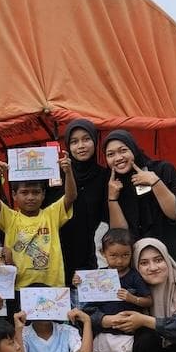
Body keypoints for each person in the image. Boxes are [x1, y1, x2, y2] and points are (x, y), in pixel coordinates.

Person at [102, 130, 176, 284]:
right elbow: (121, 234)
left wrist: (155, 182)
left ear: (133, 149)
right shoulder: (111, 185)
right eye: (110, 154)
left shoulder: (162, 169)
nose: (118, 158)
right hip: (142, 268)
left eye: (123, 150)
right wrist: (112, 198)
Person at [77, 228, 150, 352]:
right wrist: (79, 283)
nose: (119, 261)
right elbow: (88, 303)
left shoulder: (134, 277)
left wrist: (131, 298)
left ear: (131, 254)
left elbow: (147, 300)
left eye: (125, 255)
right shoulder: (99, 275)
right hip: (104, 332)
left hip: (125, 334)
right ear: (103, 253)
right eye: (114, 256)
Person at [0, 149, 75, 288]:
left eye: (36, 192)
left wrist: (68, 172)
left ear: (43, 194)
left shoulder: (51, 215)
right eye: (24, 192)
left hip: (51, 285)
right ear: (14, 195)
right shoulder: (10, 218)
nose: (30, 197)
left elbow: (70, 197)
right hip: (17, 286)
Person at [56, 119, 110, 282]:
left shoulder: (105, 176)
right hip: (62, 250)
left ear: (95, 141)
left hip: (95, 252)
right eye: (74, 141)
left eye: (86, 139)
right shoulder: (56, 177)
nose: (81, 146)